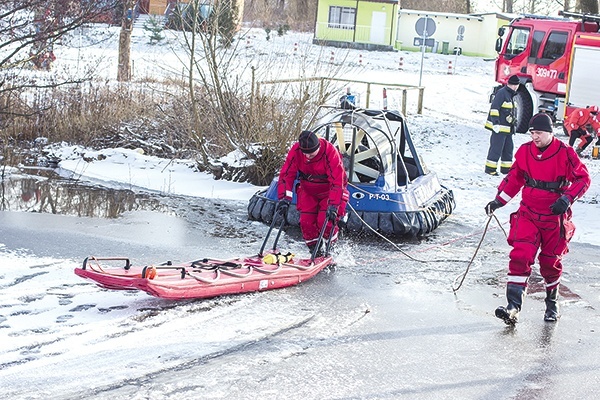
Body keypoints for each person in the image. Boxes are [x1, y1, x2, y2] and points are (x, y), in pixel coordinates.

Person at [485, 113, 590, 325]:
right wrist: (499, 201)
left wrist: (567, 199)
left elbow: (583, 178)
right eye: (532, 133)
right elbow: (515, 178)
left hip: (553, 217)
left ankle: (552, 304)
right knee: (520, 255)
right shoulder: (525, 152)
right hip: (529, 213)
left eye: (539, 133)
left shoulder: (565, 153)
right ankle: (513, 306)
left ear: (550, 132)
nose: (535, 137)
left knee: (550, 262)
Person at [276, 130, 349, 256]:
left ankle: (332, 248)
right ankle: (316, 251)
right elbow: (286, 175)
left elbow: (337, 181)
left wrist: (334, 205)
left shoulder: (330, 152)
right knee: (306, 222)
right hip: (308, 190)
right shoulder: (296, 151)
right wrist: (284, 198)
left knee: (324, 222)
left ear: (318, 147)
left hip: (328, 192)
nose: (308, 156)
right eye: (305, 153)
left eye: (311, 153)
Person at [484, 74, 520, 176]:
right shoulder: (502, 93)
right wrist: (495, 123)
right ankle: (490, 169)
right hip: (499, 128)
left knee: (508, 149)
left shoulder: (511, 95)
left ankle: (506, 170)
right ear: (515, 85)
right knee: (496, 149)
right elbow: (494, 109)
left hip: (508, 129)